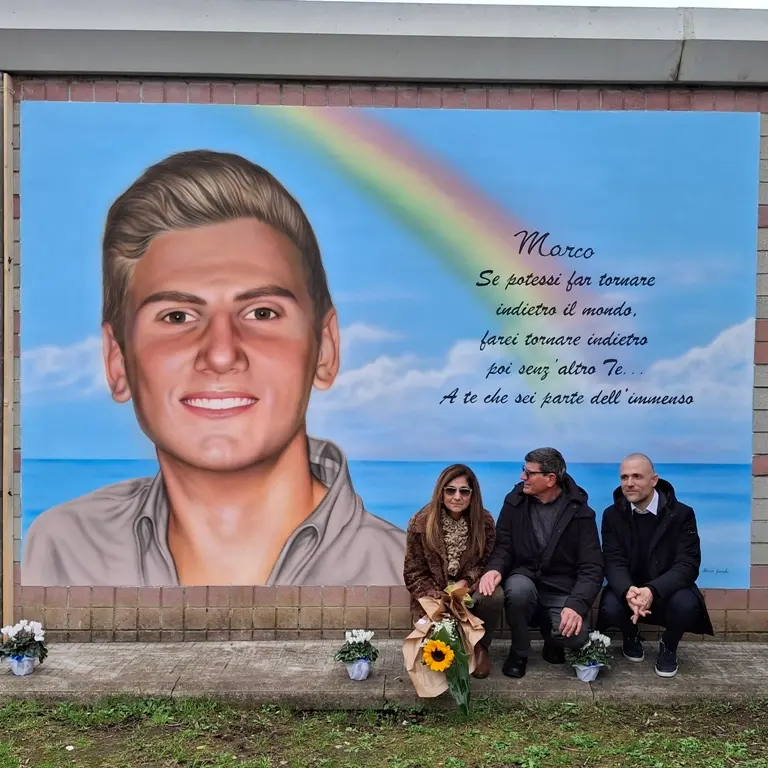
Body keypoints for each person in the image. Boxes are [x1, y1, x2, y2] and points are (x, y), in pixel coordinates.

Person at [22, 149, 406, 587]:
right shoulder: (63, 549)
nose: (221, 354)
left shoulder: (405, 574)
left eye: (262, 313)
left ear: (325, 349)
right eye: (177, 317)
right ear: (117, 360)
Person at [477, 447, 604, 679]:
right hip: (524, 579)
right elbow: (503, 545)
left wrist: (576, 605)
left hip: (561, 588)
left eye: (529, 472)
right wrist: (494, 569)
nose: (522, 477)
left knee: (574, 637)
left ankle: (551, 637)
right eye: (523, 470)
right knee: (517, 590)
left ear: (550, 479)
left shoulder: (581, 512)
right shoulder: (514, 501)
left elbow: (592, 567)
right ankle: (519, 652)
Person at [598, 453, 714, 678]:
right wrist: (628, 591)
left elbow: (688, 564)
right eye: (624, 477)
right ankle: (631, 635)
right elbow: (613, 560)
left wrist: (652, 590)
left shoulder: (681, 514)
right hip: (630, 589)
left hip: (666, 589)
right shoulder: (612, 515)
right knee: (610, 606)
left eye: (637, 476)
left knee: (687, 605)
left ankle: (669, 645)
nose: (629, 483)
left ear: (654, 480)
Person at [403, 464, 503, 679]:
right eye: (450, 490)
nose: (457, 497)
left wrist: (466, 582)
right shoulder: (420, 523)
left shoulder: (484, 523)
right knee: (436, 663)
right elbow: (413, 573)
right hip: (435, 598)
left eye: (464, 491)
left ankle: (480, 647)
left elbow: (487, 563)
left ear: (471, 495)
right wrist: (442, 600)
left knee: (494, 595)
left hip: (469, 594)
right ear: (441, 493)